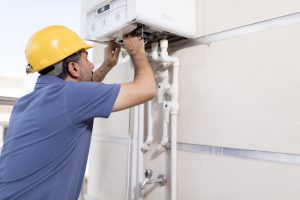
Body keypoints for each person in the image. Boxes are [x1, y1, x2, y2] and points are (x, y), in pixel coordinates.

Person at [0, 25, 156, 200]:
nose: (91, 64)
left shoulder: (24, 103)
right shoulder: (71, 97)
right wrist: (137, 53)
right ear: (73, 68)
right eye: (86, 58)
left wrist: (107, 65)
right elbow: (147, 88)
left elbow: (80, 93)